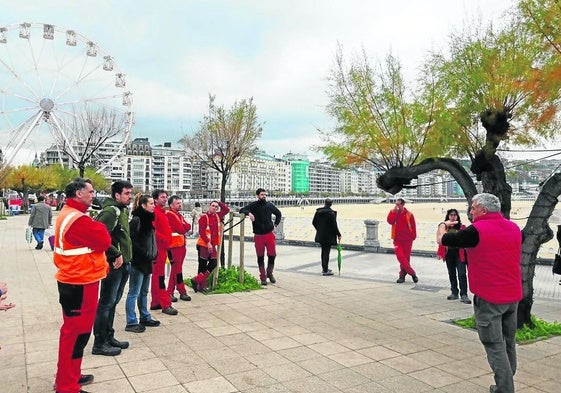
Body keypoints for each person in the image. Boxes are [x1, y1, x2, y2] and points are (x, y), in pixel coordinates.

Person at [437, 193, 522, 393]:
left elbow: (443, 240)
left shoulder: (476, 231)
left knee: (494, 345)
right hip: (513, 296)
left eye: (473, 208)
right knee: (508, 342)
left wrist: (442, 225)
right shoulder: (514, 227)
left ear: (483, 210)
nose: (471, 211)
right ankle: (506, 380)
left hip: (490, 297)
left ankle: (505, 389)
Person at [53, 178, 111, 393]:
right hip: (79, 282)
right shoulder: (78, 219)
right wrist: (99, 224)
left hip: (77, 280)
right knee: (75, 334)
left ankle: (70, 375)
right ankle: (66, 386)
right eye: (91, 191)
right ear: (79, 194)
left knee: (76, 333)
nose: (93, 194)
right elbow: (104, 240)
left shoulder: (70, 213)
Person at [92, 180, 133, 356]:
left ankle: (109, 336)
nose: (130, 196)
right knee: (106, 303)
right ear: (117, 195)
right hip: (113, 265)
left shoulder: (122, 210)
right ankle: (99, 342)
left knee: (113, 302)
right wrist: (115, 253)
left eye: (130, 193)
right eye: (127, 193)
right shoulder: (110, 212)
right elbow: (99, 236)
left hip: (123, 264)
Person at [125, 194, 160, 333]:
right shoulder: (137, 219)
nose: (153, 206)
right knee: (134, 292)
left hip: (148, 261)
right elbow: (130, 240)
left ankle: (144, 316)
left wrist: (153, 252)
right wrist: (144, 253)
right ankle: (131, 321)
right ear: (143, 205)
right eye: (151, 203)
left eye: (153, 203)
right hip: (138, 262)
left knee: (144, 292)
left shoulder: (149, 219)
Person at [240, 188, 282, 286]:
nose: (264, 196)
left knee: (272, 255)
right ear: (258, 195)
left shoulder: (270, 205)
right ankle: (263, 277)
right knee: (260, 257)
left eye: (265, 195)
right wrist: (249, 213)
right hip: (258, 236)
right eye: (262, 194)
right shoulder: (253, 205)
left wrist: (275, 225)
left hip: (269, 234)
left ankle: (269, 273)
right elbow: (242, 209)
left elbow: (278, 214)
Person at [191, 200, 230, 292]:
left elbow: (227, 210)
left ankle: (197, 280)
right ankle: (201, 286)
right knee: (202, 265)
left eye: (216, 207)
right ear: (209, 206)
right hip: (203, 244)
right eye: (213, 206)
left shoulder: (217, 215)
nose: (214, 208)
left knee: (214, 263)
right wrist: (208, 243)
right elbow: (201, 232)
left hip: (212, 244)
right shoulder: (204, 217)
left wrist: (219, 202)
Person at [149, 190, 177, 315]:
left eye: (166, 197)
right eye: (162, 197)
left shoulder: (162, 212)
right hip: (158, 249)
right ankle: (165, 304)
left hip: (163, 248)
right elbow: (153, 231)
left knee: (157, 276)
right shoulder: (154, 212)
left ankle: (155, 302)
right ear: (155, 199)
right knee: (159, 277)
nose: (165, 199)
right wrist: (165, 239)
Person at [436, 209, 471, 304]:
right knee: (451, 273)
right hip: (449, 254)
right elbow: (439, 240)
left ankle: (464, 294)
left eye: (455, 215)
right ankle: (454, 292)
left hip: (460, 254)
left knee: (462, 274)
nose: (453, 216)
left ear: (457, 216)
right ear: (448, 216)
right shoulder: (444, 229)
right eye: (451, 215)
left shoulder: (462, 227)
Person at [166, 195, 192, 302]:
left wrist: (185, 226)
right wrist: (184, 226)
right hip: (174, 246)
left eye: (180, 203)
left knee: (176, 270)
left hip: (180, 245)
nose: (180, 205)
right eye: (178, 203)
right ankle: (179, 291)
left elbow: (187, 226)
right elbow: (182, 228)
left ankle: (173, 291)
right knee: (177, 270)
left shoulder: (178, 215)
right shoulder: (171, 215)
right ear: (171, 205)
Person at [387, 198, 418, 283]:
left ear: (402, 205)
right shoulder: (393, 212)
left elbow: (413, 226)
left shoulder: (409, 214)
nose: (396, 206)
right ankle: (412, 273)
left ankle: (402, 276)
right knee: (400, 257)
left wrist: (413, 237)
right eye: (396, 204)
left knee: (406, 259)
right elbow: (390, 221)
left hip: (407, 240)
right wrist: (394, 212)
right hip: (397, 240)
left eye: (398, 204)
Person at [312, 198, 341, 276]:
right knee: (326, 252)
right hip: (329, 236)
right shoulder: (331, 214)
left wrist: (319, 229)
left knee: (323, 252)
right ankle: (325, 270)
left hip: (321, 235)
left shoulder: (318, 212)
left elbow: (314, 222)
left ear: (324, 203)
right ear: (331, 204)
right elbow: (334, 225)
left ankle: (324, 268)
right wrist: (338, 234)